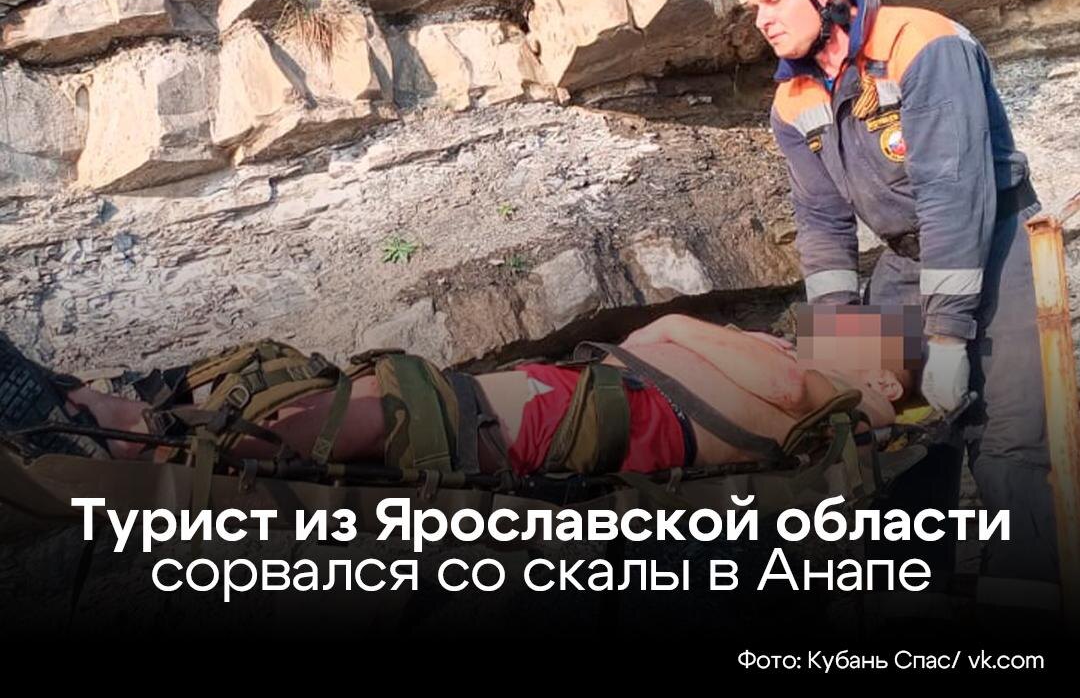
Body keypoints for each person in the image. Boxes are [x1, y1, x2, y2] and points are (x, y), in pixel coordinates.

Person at [730, 0, 1057, 585]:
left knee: (1011, 452)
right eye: (754, 7)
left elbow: (953, 196)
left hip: (997, 249)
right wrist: (839, 350)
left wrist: (947, 339)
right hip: (903, 264)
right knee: (887, 448)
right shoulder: (792, 99)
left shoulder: (923, 44)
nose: (762, 21)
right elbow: (821, 223)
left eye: (772, 1)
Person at [0, 316, 910, 474]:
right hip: (582, 391)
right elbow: (652, 343)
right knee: (362, 391)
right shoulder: (779, 362)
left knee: (391, 418)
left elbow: (664, 332)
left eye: (856, 339)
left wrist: (871, 387)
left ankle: (135, 435)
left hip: (607, 418)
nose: (812, 331)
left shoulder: (824, 393)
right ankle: (109, 410)